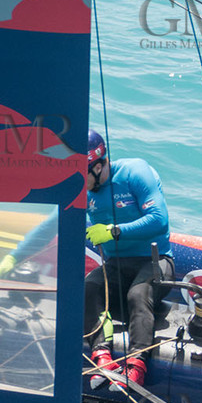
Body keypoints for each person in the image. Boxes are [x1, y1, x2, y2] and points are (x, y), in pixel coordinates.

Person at [82, 130, 172, 389]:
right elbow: (54, 222)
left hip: (157, 261)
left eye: (82, 174)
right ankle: (103, 357)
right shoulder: (87, 193)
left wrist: (113, 230)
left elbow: (159, 219)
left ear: (98, 166)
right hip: (117, 266)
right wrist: (15, 255)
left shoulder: (135, 172)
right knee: (89, 287)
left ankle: (136, 365)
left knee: (138, 294)